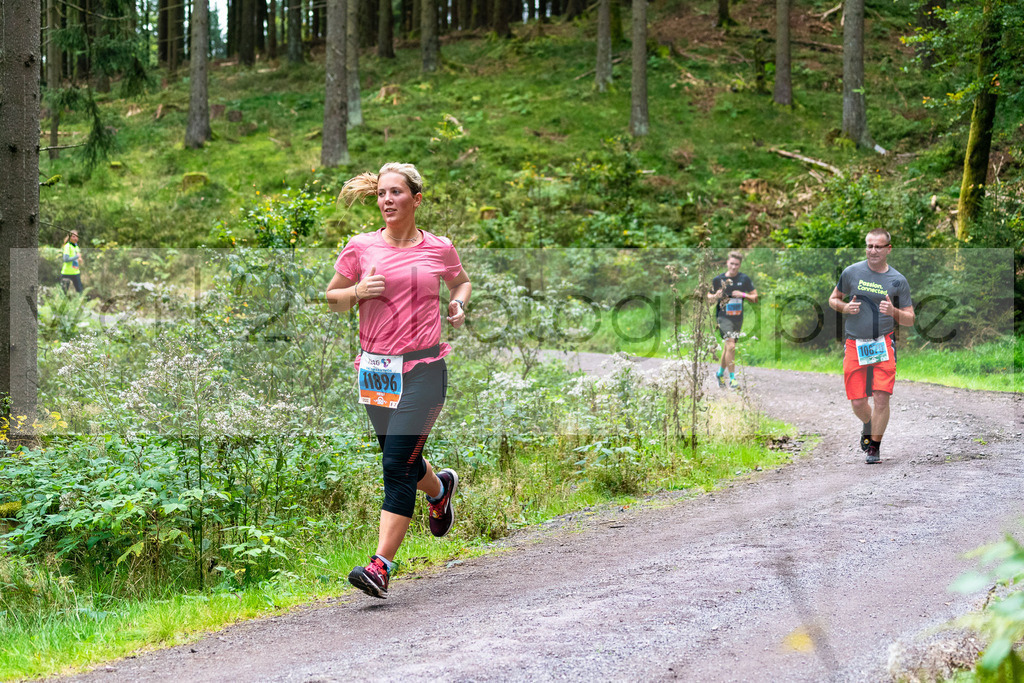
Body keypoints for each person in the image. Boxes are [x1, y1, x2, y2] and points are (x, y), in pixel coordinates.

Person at [325, 162, 471, 599]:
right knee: (403, 458)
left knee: (395, 465)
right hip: (376, 371)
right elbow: (332, 298)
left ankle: (380, 566)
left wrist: (458, 304)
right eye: (381, 193)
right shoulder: (361, 247)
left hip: (425, 369)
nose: (387, 200)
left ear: (416, 199)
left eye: (396, 192)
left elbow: (461, 282)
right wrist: (355, 293)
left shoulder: (439, 247)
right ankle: (440, 489)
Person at [828, 229, 914, 464]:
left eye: (878, 246)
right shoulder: (851, 272)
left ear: (888, 249)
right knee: (858, 402)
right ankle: (868, 424)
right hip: (855, 343)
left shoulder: (898, 280)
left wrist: (893, 311)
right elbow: (833, 299)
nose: (873, 251)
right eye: (869, 246)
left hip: (883, 343)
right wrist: (845, 308)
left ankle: (874, 447)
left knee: (881, 398)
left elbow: (910, 319)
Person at [707, 251, 757, 389]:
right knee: (731, 346)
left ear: (740, 265)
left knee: (728, 347)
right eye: (732, 264)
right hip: (723, 317)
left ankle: (719, 373)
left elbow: (755, 298)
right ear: (727, 263)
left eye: (737, 264)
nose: (734, 267)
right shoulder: (718, 279)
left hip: (738, 318)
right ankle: (733, 379)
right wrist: (715, 296)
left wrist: (743, 294)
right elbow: (708, 297)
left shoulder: (744, 279)